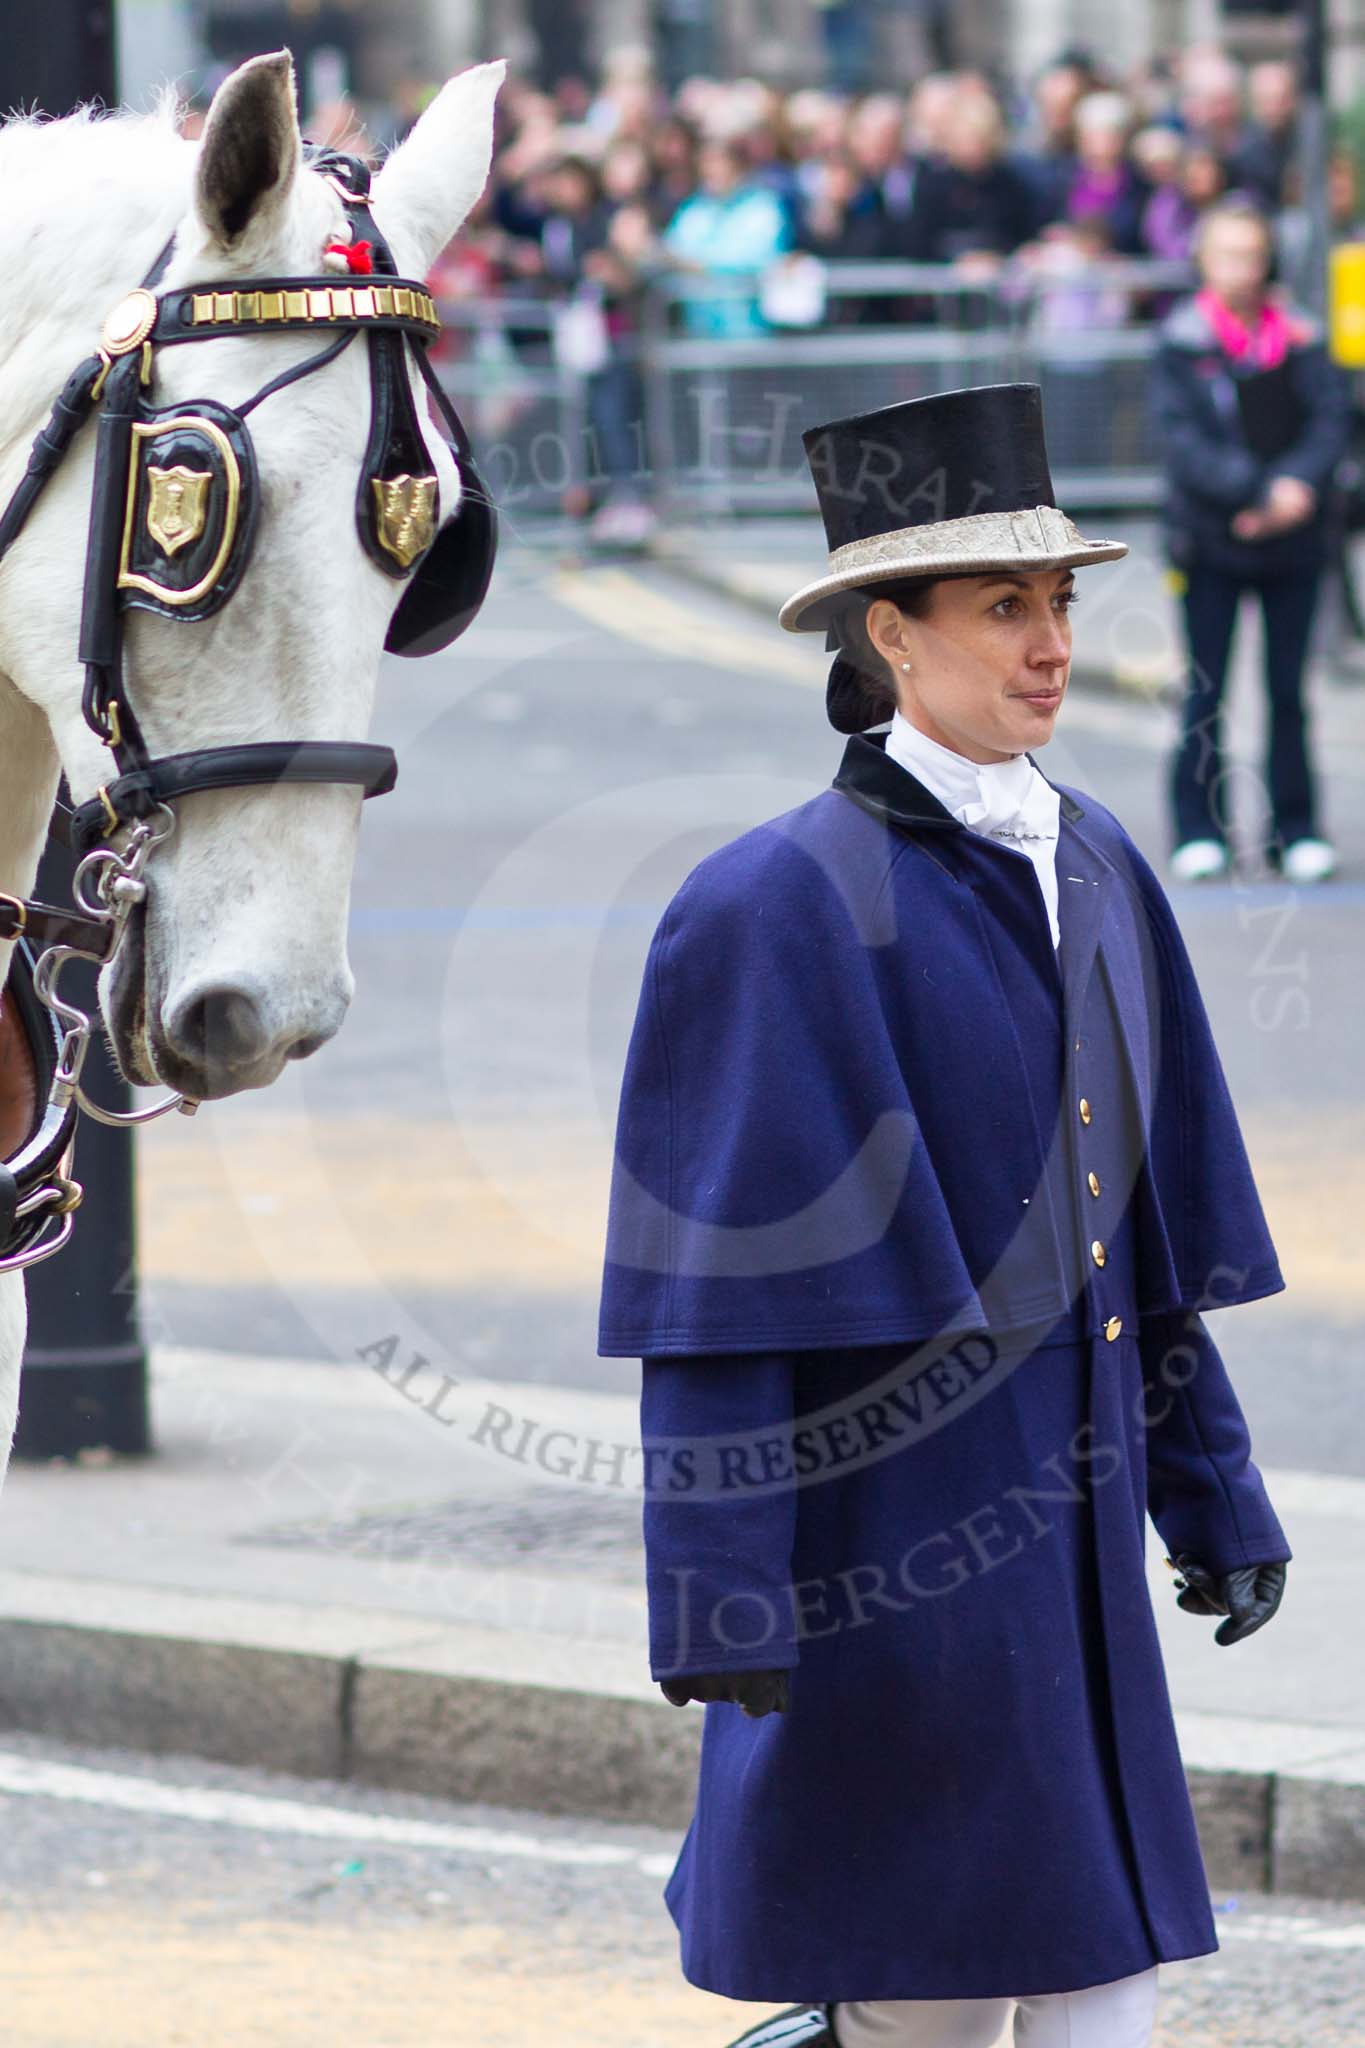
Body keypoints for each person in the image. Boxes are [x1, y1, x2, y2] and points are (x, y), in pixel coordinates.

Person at [598, 382, 1291, 2047]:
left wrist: (1218, 1496)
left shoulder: (1106, 859)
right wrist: (719, 1589)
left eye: (1058, 601)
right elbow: (717, 1302)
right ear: (888, 637)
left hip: (1075, 1586)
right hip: (878, 1592)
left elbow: (1147, 1244)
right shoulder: (763, 905)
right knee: (930, 2011)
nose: (1051, 642)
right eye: (1003, 606)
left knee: (1100, 1990)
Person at [1149, 198, 1351, 882]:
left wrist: (1291, 488)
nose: (1240, 269)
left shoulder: (1298, 337)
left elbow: (1329, 424)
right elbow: (1182, 443)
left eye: (1250, 254)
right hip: (1210, 541)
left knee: (1287, 692)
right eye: (1226, 255)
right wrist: (1255, 495)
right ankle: (1199, 826)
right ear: (1203, 261)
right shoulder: (1180, 342)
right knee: (1205, 690)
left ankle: (1294, 829)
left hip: (1292, 542)